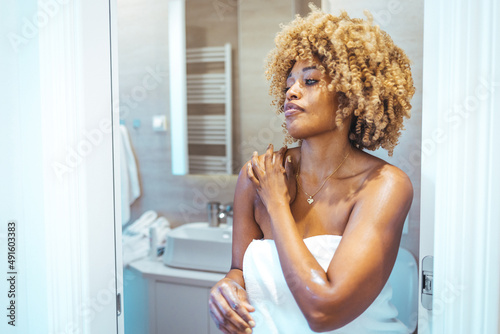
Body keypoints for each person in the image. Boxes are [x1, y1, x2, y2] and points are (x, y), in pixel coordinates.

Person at [209, 6, 415, 334]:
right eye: (289, 82)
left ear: (350, 98)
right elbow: (239, 270)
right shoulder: (258, 175)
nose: (291, 91)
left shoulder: (383, 186)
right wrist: (226, 288)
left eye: (310, 80)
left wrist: (277, 205)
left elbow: (325, 313)